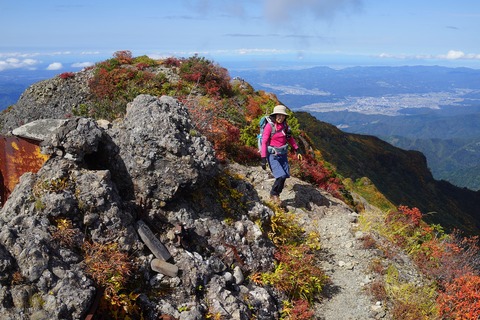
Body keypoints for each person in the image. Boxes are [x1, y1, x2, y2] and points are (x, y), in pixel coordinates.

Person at [260, 105, 302, 204]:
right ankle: (274, 194)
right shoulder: (269, 127)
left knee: (285, 175)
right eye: (279, 115)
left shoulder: (285, 126)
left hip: (282, 155)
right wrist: (263, 158)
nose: (281, 117)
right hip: (272, 155)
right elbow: (264, 142)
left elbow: (289, 138)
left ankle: (276, 194)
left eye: (283, 116)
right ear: (275, 115)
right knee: (281, 176)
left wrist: (297, 149)